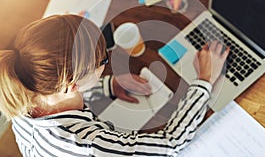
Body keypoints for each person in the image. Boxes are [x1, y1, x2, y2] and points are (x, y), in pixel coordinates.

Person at [0, 14, 229, 156]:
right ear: (72, 86)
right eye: (103, 61)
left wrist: (109, 86)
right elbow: (171, 143)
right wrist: (205, 79)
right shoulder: (89, 145)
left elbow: (62, 96)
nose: (106, 63)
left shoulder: (22, 87)